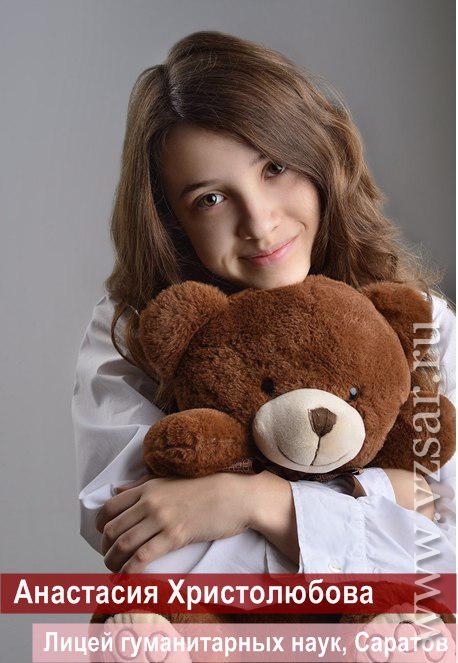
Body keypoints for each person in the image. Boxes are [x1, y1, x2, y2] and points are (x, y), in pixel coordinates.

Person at [72, 31, 455, 580]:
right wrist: (378, 498)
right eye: (210, 199)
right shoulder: (132, 330)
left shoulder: (419, 322)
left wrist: (252, 502)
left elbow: (446, 564)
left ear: (319, 161)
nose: (259, 221)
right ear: (170, 223)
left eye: (274, 168)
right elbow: (143, 547)